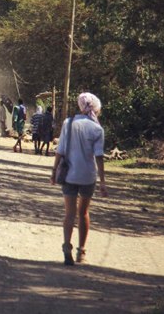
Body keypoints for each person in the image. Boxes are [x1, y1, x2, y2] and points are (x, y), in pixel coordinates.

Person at [50, 92, 108, 266]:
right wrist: (103, 182)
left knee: (69, 214)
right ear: (95, 109)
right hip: (87, 177)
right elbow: (99, 157)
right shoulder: (97, 129)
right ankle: (81, 251)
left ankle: (66, 246)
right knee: (83, 213)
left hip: (69, 175)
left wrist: (54, 171)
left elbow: (60, 150)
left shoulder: (69, 123)